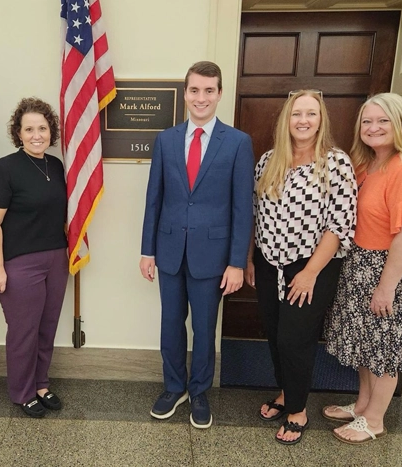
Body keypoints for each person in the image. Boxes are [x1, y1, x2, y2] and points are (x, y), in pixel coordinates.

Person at [140, 61, 255, 429]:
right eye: (194, 90)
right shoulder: (167, 139)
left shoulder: (237, 142)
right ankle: (174, 387)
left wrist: (237, 262)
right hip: (170, 251)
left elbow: (242, 207)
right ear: (185, 93)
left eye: (209, 90)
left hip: (213, 257)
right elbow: (153, 199)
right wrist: (148, 250)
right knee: (170, 324)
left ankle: (200, 390)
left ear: (219, 93)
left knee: (204, 328)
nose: (201, 97)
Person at [244, 89, 357, 445]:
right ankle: (286, 391)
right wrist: (250, 258)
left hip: (311, 268)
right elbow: (254, 214)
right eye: (296, 114)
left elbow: (339, 225)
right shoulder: (268, 161)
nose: (303, 121)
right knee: (276, 335)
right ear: (286, 120)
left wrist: (309, 273)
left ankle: (297, 409)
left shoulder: (335, 162)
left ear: (321, 119)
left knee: (295, 339)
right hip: (267, 263)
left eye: (311, 114)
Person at [324, 93, 402, 444]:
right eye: (367, 121)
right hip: (359, 264)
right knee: (364, 344)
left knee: (384, 347)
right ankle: (361, 406)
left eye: (383, 121)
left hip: (386, 269)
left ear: (399, 124)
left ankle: (374, 420)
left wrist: (386, 287)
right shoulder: (367, 162)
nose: (373, 128)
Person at [0, 97, 69, 418]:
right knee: (24, 331)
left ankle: (41, 383)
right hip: (19, 263)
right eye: (29, 129)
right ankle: (22, 391)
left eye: (43, 128)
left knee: (47, 327)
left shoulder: (56, 166)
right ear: (18, 133)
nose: (36, 135)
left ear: (51, 132)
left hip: (56, 259)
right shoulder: (4, 169)